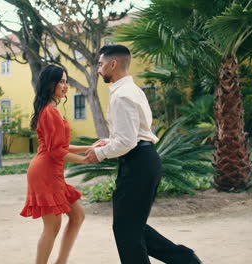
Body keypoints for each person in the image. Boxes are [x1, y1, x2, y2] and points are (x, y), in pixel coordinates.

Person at [85, 45, 202, 264]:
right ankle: (185, 259)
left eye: (100, 65)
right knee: (131, 226)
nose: (98, 70)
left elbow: (128, 141)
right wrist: (110, 141)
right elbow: (135, 133)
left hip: (138, 163)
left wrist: (100, 153)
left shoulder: (122, 95)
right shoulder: (133, 90)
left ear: (113, 64)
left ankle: (185, 259)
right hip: (142, 160)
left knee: (126, 228)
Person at [20, 65, 93, 264]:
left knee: (77, 215)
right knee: (52, 226)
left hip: (51, 171)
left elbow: (61, 146)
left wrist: (88, 148)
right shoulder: (49, 112)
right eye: (60, 81)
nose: (65, 85)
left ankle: (61, 261)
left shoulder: (51, 110)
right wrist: (85, 160)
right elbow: (55, 151)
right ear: (49, 84)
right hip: (45, 172)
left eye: (66, 81)